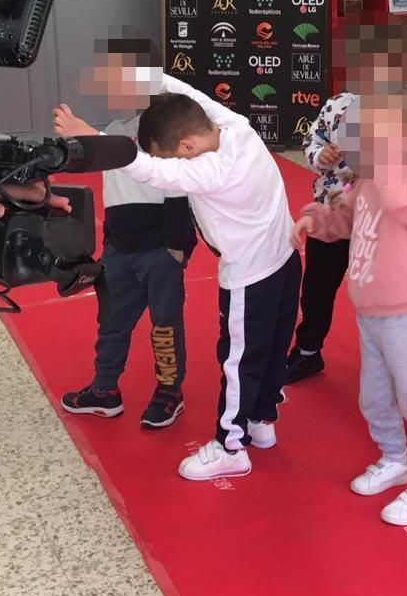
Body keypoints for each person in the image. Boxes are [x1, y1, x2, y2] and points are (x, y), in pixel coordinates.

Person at [64, 75, 299, 481]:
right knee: (272, 346)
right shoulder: (234, 126)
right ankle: (261, 419)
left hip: (250, 275)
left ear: (187, 147)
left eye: (177, 157)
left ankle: (230, 446)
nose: (177, 165)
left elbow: (148, 170)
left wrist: (90, 137)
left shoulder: (210, 170)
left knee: (238, 359)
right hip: (285, 259)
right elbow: (192, 94)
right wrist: (145, 75)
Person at [294, 80, 407, 528]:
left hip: (404, 309)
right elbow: (344, 217)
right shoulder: (365, 180)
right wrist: (314, 217)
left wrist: (379, 151)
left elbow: (394, 193)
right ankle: (393, 458)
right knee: (374, 397)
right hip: (370, 311)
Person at [53, 41, 196, 428]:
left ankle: (169, 390)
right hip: (119, 248)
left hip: (161, 248)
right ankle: (104, 389)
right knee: (111, 320)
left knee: (164, 324)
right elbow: (97, 155)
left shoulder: (163, 125)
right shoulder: (115, 130)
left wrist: (177, 246)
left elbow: (151, 168)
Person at [285, 86, 359, 383]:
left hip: (378, 220)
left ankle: (388, 363)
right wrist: (320, 154)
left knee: (381, 297)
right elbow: (310, 140)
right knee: (317, 287)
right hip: (330, 211)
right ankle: (307, 351)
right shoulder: (337, 104)